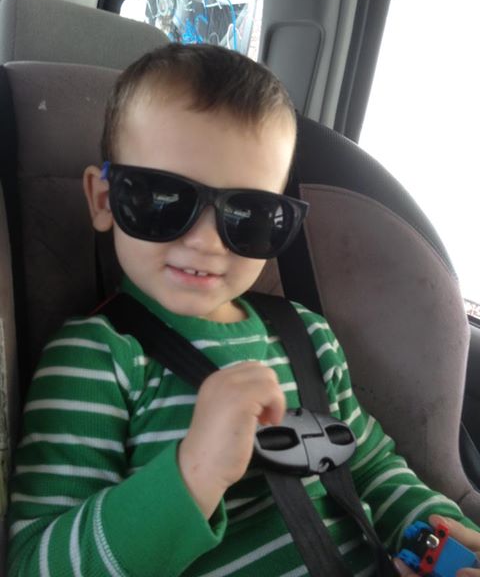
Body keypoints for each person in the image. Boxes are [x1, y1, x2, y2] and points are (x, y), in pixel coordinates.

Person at [7, 43, 480, 577]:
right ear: (103, 200)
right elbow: (33, 563)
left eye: (250, 215)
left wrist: (439, 534)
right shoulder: (97, 359)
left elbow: (369, 466)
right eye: (163, 199)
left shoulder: (308, 337)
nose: (206, 242)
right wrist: (193, 474)